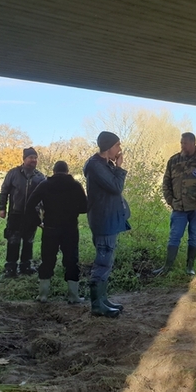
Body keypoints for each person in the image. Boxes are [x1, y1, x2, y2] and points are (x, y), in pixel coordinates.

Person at [154, 132, 196, 276]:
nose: (183, 146)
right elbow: (166, 183)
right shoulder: (174, 160)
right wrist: (170, 200)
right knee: (174, 236)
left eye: (186, 143)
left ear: (194, 143)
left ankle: (190, 267)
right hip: (179, 207)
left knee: (194, 237)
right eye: (181, 143)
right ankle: (167, 267)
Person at [24, 160, 88, 303]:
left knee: (47, 261)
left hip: (50, 229)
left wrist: (37, 221)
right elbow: (85, 207)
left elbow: (30, 204)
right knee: (71, 261)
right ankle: (73, 296)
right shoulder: (75, 185)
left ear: (53, 171)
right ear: (67, 171)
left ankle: (43, 295)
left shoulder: (45, 184)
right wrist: (72, 210)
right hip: (70, 229)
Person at [82, 131, 131, 318]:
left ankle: (103, 300)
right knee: (103, 261)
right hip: (103, 220)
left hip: (108, 219)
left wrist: (114, 167)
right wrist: (119, 168)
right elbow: (116, 187)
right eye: (117, 145)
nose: (119, 149)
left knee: (107, 260)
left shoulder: (103, 164)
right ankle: (97, 305)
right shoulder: (96, 166)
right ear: (109, 147)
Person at [0, 147, 45, 277]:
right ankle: (10, 268)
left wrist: (43, 215)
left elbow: (44, 197)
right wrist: (2, 208)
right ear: (24, 159)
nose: (34, 160)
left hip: (32, 215)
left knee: (28, 241)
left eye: (35, 158)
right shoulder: (13, 173)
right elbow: (4, 191)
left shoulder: (40, 176)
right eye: (31, 157)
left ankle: (26, 266)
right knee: (13, 241)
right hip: (15, 213)